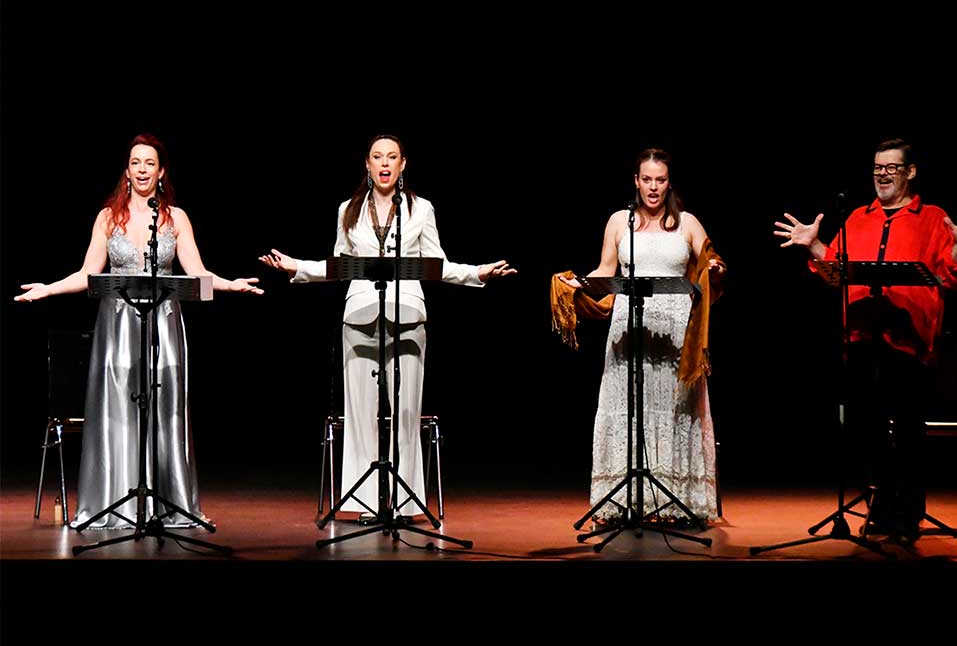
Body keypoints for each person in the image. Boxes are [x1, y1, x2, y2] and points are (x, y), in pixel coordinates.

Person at [259, 134, 515, 518]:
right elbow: (338, 265)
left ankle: (405, 501)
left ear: (402, 164)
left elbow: (437, 264)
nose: (384, 163)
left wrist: (477, 273)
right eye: (377, 156)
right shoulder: (348, 210)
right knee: (361, 413)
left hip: (408, 314)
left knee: (406, 412)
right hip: (360, 315)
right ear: (367, 164)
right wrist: (298, 267)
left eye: (391, 157)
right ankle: (364, 500)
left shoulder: (421, 209)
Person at [15, 134, 263, 528]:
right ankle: (117, 501)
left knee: (164, 409)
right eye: (136, 162)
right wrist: (48, 289)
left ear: (161, 172)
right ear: (126, 171)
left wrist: (231, 285)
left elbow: (197, 273)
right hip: (117, 324)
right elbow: (88, 273)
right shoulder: (107, 217)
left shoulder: (176, 218)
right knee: (118, 409)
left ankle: (168, 502)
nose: (142, 169)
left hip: (163, 323)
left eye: (150, 163)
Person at [774, 137, 957, 540]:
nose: (882, 175)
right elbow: (834, 269)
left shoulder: (932, 217)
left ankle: (907, 512)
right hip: (860, 336)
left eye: (891, 168)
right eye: (877, 168)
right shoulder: (859, 217)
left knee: (907, 428)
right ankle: (883, 503)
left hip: (908, 340)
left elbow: (948, 277)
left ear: (911, 172)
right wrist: (814, 245)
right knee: (863, 427)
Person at [557, 148, 725, 524]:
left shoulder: (688, 223)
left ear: (669, 183)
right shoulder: (620, 221)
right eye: (646, 179)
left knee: (674, 411)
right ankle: (628, 498)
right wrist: (579, 283)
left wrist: (713, 268)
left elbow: (710, 262)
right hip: (628, 329)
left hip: (675, 330)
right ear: (636, 181)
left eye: (660, 180)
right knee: (630, 412)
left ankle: (676, 499)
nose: (653, 187)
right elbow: (605, 270)